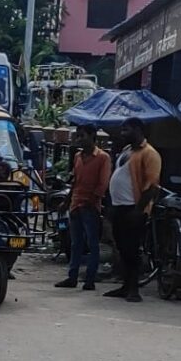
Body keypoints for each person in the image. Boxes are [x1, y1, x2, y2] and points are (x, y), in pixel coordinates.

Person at [103, 117, 161, 303]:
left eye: (126, 130)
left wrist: (138, 210)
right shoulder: (127, 150)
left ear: (137, 129)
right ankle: (126, 286)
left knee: (131, 249)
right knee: (122, 248)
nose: (123, 134)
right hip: (120, 207)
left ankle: (134, 289)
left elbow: (152, 186)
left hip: (133, 209)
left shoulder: (150, 154)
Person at [55, 124, 110, 291]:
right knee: (75, 243)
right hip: (76, 204)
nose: (79, 140)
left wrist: (91, 201)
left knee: (92, 243)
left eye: (82, 136)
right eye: (77, 136)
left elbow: (102, 184)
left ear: (92, 135)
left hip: (90, 206)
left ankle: (90, 279)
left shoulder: (103, 158)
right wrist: (67, 201)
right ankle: (72, 277)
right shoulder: (78, 156)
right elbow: (75, 181)